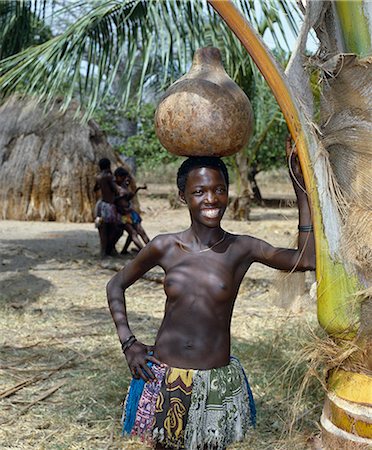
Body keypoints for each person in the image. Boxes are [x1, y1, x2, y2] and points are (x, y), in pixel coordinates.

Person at [106, 142, 315, 450]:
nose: (211, 199)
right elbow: (115, 285)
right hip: (165, 379)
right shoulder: (165, 247)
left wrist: (300, 186)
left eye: (219, 190)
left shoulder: (242, 248)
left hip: (215, 383)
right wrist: (128, 343)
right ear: (183, 197)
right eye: (200, 192)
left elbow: (306, 260)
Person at [114, 167, 150, 254]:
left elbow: (128, 197)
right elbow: (114, 200)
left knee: (141, 232)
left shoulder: (124, 186)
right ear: (117, 176)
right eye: (122, 177)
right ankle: (144, 253)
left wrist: (138, 189)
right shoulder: (114, 187)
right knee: (133, 233)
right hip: (123, 215)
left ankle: (152, 251)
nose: (124, 179)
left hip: (130, 212)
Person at [94, 158, 121, 258]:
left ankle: (104, 252)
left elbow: (95, 188)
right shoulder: (109, 177)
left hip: (100, 205)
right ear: (109, 166)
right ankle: (108, 250)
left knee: (103, 230)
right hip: (108, 206)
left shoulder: (98, 177)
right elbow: (116, 190)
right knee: (114, 228)